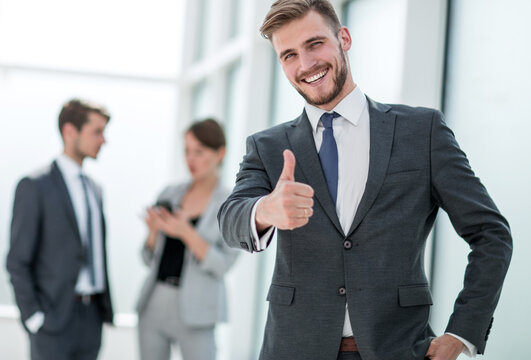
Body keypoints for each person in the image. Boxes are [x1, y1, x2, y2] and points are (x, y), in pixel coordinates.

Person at [217, 1, 512, 360]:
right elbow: (231, 220)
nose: (305, 64)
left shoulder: (421, 132)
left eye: (315, 44)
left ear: (343, 38)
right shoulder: (268, 147)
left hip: (398, 349)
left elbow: (491, 234)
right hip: (293, 349)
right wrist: (265, 209)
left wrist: (462, 332)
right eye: (289, 55)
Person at [6, 98, 114, 360]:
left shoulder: (94, 189)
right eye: (97, 132)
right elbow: (17, 261)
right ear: (69, 131)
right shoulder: (35, 186)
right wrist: (33, 318)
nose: (104, 140)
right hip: (52, 320)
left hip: (91, 320)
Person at [136, 118, 239, 360]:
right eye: (187, 151)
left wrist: (186, 233)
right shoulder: (170, 193)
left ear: (220, 153)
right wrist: (152, 232)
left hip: (198, 311)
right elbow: (147, 258)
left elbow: (223, 265)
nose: (190, 159)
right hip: (154, 303)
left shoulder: (231, 203)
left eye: (199, 152)